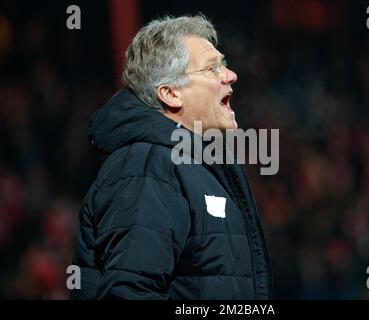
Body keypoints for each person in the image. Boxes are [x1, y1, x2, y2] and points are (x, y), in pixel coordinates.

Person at [70, 15, 273, 299]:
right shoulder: (148, 165)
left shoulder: (196, 165)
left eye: (223, 64)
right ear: (171, 93)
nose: (230, 75)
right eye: (213, 68)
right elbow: (130, 293)